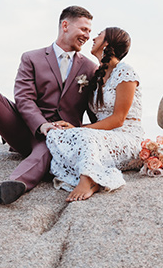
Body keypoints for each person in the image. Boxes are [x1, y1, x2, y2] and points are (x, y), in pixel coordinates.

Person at [0, 5, 99, 205]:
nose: (87, 36)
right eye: (84, 29)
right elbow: (23, 98)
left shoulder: (90, 68)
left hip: (61, 137)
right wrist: (41, 124)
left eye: (90, 31)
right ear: (65, 25)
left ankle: (13, 185)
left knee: (49, 145)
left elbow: (95, 111)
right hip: (24, 128)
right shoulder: (32, 58)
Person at [45, 26, 143, 202]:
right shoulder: (98, 76)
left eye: (98, 35)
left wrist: (81, 129)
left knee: (86, 135)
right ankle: (89, 173)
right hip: (103, 135)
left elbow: (118, 119)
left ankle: (89, 180)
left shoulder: (125, 72)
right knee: (55, 134)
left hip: (126, 136)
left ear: (106, 43)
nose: (93, 38)